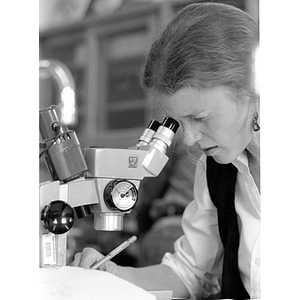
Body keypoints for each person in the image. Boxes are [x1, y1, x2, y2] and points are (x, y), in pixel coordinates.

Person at [71, 2, 260, 299]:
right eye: (180, 123)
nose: (189, 140)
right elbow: (186, 273)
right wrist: (112, 275)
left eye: (200, 118)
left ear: (254, 91)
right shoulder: (216, 168)